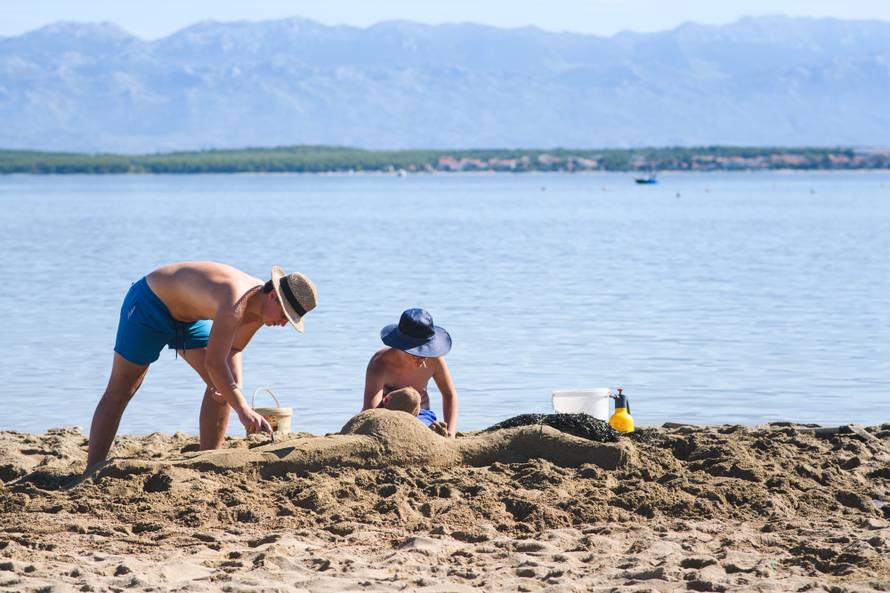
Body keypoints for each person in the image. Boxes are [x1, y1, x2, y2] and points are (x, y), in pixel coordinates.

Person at [86, 262, 317, 468]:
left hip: (187, 318)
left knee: (226, 386)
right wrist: (243, 409)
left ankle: (208, 460)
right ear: (273, 297)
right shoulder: (236, 299)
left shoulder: (259, 309)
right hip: (150, 303)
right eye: (286, 315)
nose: (284, 323)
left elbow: (233, 349)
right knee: (122, 390)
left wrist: (234, 388)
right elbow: (215, 362)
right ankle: (92, 469)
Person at [363, 308, 459, 438]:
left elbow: (449, 396)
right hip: (388, 418)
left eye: (427, 352)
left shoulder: (434, 360)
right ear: (401, 345)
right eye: (417, 354)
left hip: (423, 417)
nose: (424, 360)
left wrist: (451, 432)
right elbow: (371, 412)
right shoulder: (380, 365)